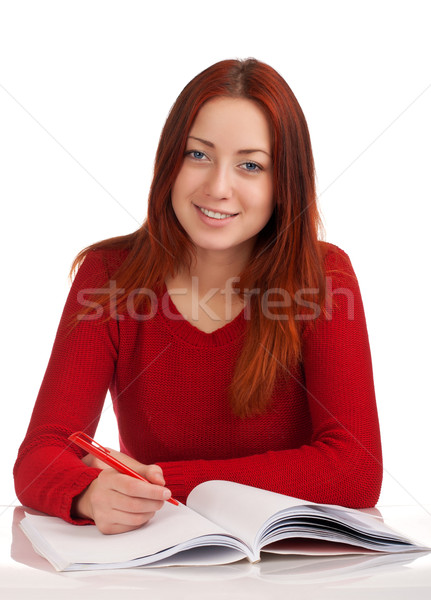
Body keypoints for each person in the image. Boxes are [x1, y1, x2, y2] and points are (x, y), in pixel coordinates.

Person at [14, 58, 383, 535]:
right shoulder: (108, 275)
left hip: (291, 569)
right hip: (159, 560)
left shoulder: (324, 276)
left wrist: (163, 485)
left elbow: (355, 469)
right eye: (198, 155)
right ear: (170, 160)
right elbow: (42, 453)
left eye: (251, 165)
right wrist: (88, 493)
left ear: (283, 183)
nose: (217, 187)